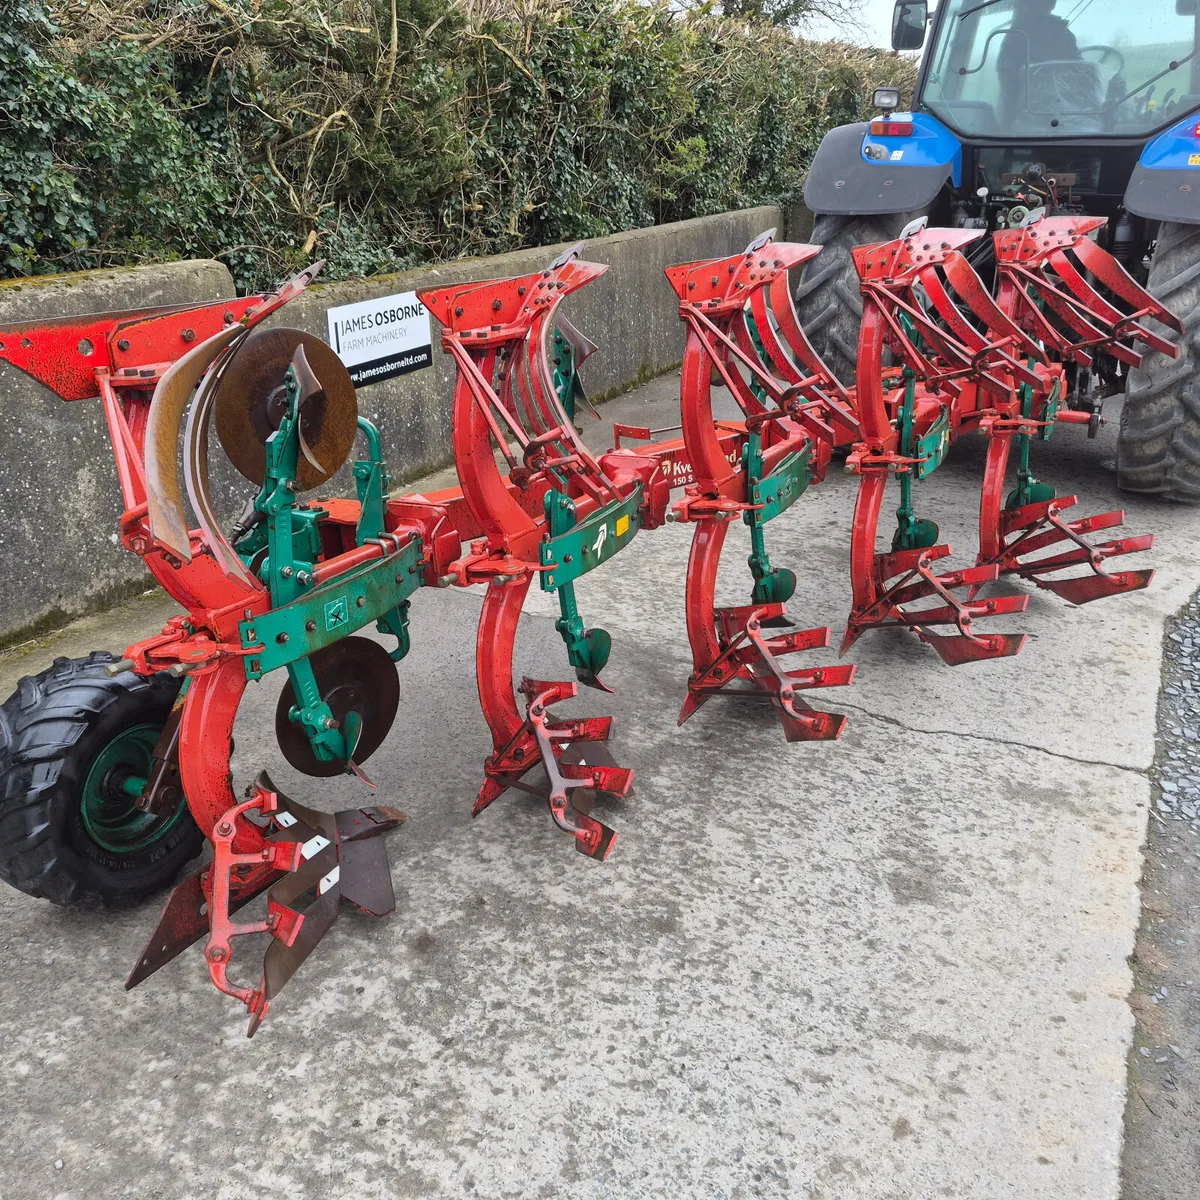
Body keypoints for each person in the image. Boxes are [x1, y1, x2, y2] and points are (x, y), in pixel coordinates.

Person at [997, 0, 1089, 121]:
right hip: (1025, 112)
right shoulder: (1016, 35)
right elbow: (1007, 77)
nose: (1039, 5)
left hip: (1063, 111)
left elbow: (1079, 71)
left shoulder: (1064, 34)